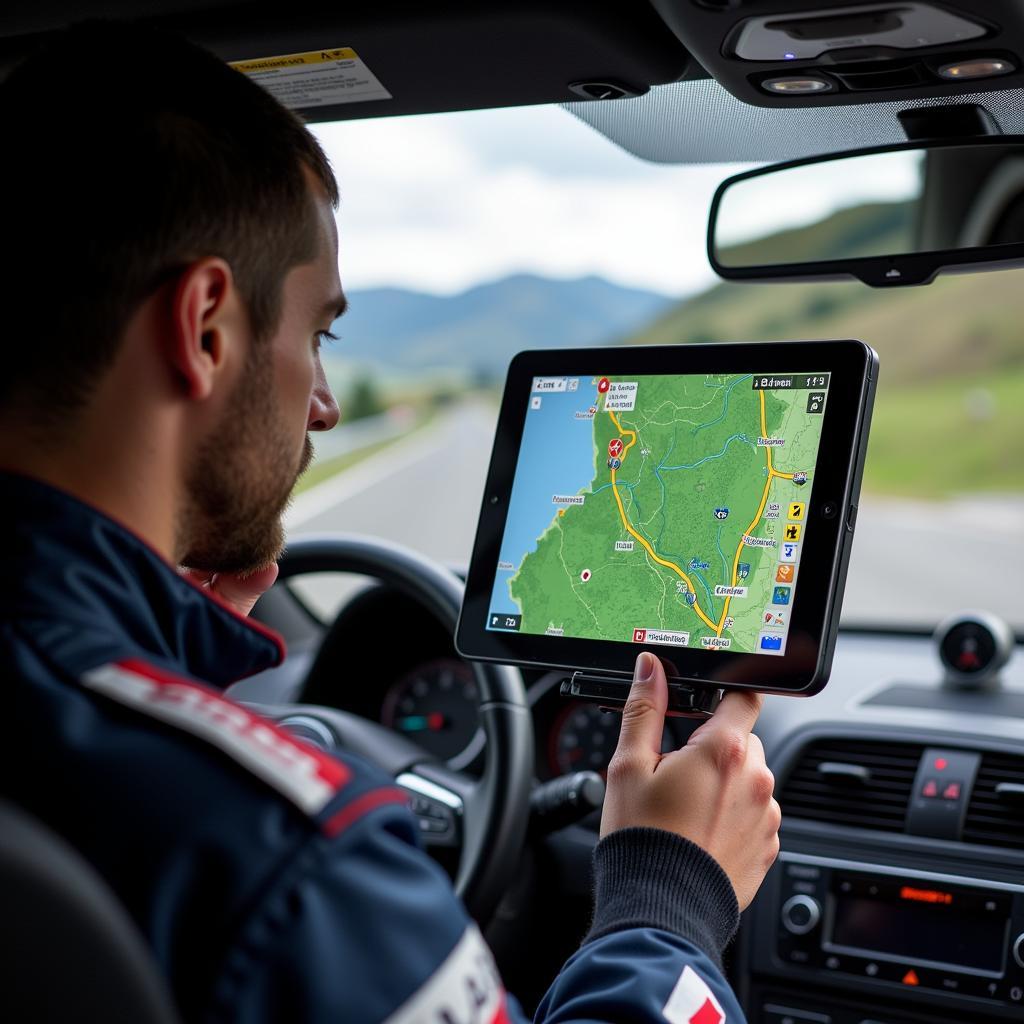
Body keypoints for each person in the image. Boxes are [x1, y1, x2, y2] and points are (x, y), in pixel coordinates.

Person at [0, 21, 780, 1024]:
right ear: (203, 329)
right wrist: (666, 898)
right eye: (318, 332)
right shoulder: (292, 862)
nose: (323, 403)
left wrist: (146, 663)